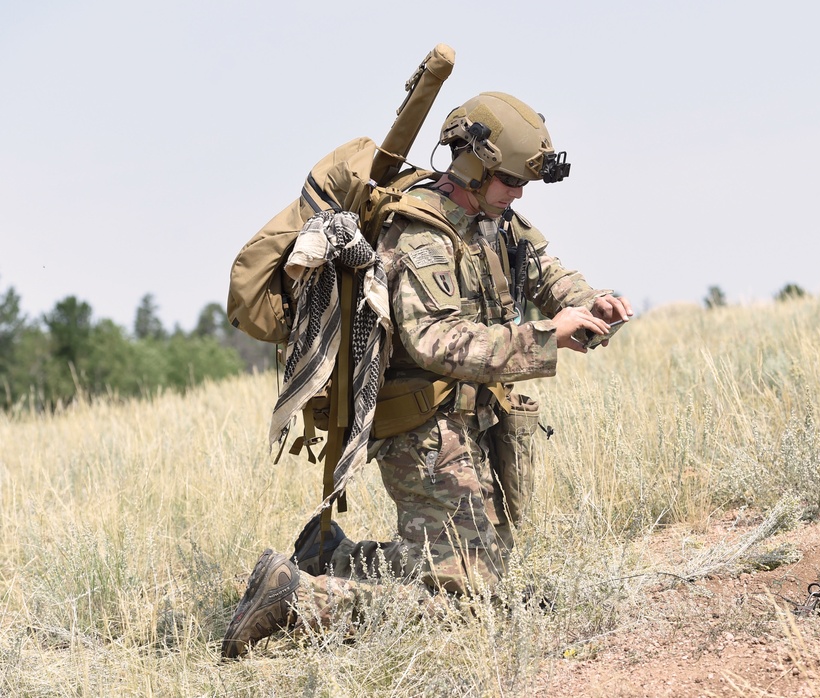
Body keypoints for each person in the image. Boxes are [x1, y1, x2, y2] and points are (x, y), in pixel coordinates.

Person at [221, 91, 633, 658]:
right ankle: (294, 597)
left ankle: (330, 558)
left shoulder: (492, 216)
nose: (517, 193)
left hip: (473, 420)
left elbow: (542, 268)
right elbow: (438, 342)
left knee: (484, 568)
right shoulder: (420, 233)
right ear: (472, 166)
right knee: (466, 606)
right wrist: (546, 336)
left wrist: (589, 303)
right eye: (510, 181)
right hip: (426, 431)